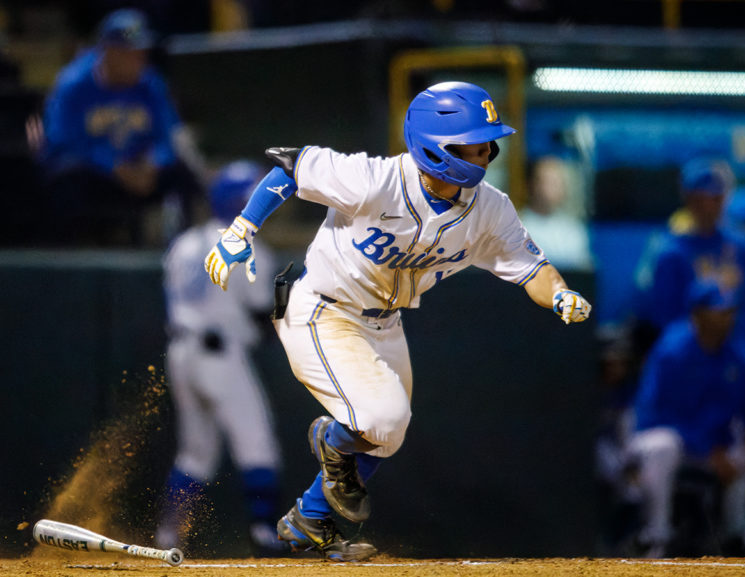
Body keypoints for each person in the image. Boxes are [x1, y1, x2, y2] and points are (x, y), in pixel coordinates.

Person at [202, 81, 592, 561]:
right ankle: (329, 439)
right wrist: (243, 227)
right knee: (381, 419)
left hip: (385, 322)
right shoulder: (376, 179)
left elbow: (530, 266)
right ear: (434, 146)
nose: (486, 150)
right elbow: (292, 163)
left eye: (488, 141)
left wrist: (559, 294)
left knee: (386, 438)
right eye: (472, 141)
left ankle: (308, 521)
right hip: (324, 309)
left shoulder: (490, 208)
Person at [155, 160, 284, 555]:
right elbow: (264, 315)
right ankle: (264, 534)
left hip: (181, 353)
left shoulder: (184, 243)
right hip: (220, 356)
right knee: (257, 446)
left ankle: (167, 537)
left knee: (196, 455)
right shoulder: (249, 247)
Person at [625, 280, 745, 558]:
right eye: (719, 311)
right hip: (669, 444)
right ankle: (656, 538)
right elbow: (655, 415)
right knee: (663, 446)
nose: (727, 318)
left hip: (720, 450)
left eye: (730, 311)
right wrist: (709, 451)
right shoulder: (672, 351)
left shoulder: (742, 356)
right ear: (698, 314)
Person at [39, 8, 203, 247]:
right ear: (109, 51)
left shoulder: (150, 82)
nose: (139, 60)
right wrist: (112, 165)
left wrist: (154, 162)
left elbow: (169, 136)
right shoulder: (74, 84)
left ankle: (184, 249)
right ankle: (72, 249)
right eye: (131, 53)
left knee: (182, 172)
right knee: (66, 177)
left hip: (140, 171)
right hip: (95, 175)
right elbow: (59, 142)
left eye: (141, 53)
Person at [633, 158, 745, 359]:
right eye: (700, 199)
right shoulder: (671, 251)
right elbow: (665, 316)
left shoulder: (742, 246)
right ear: (688, 199)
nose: (708, 207)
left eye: (715, 198)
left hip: (741, 357)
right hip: (690, 359)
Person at [519, 155, 593, 270]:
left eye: (558, 182)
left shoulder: (574, 230)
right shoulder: (516, 227)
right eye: (548, 182)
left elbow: (583, 274)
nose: (555, 188)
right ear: (532, 185)